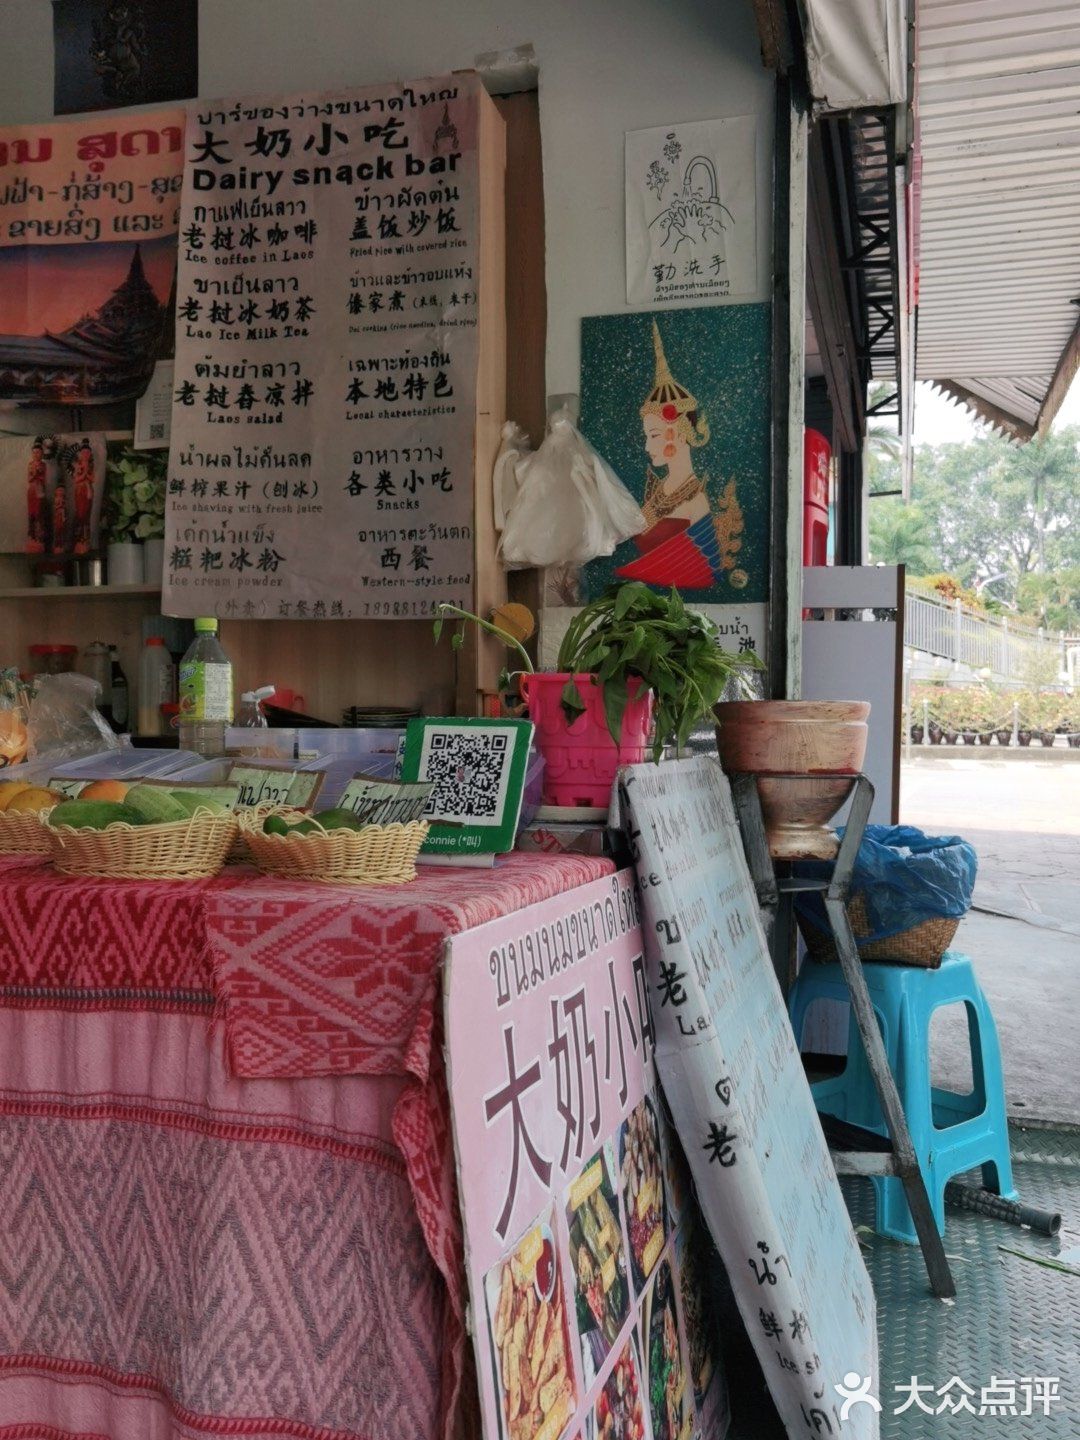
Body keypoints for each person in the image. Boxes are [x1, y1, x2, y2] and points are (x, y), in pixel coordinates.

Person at [616, 321, 744, 590]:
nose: (647, 446)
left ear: (680, 432)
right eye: (647, 436)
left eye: (654, 435)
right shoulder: (657, 491)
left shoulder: (696, 503)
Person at [72, 438, 96, 556]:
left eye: (88, 452)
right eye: (84, 452)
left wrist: (87, 475)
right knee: (80, 514)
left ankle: (86, 539)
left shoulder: (91, 465)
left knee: (87, 515)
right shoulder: (78, 465)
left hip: (88, 491)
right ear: (80, 454)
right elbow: (76, 479)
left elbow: (93, 479)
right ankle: (79, 539)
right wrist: (85, 475)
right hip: (80, 490)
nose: (86, 454)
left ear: (90, 454)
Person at [25, 437, 46, 553]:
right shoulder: (30, 464)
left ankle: (39, 537)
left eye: (38, 452)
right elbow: (29, 478)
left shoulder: (43, 465)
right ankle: (32, 536)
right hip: (32, 491)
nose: (36, 454)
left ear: (42, 453)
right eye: (34, 452)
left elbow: (42, 478)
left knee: (39, 514)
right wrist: (35, 474)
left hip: (39, 490)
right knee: (31, 514)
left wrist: (37, 474)